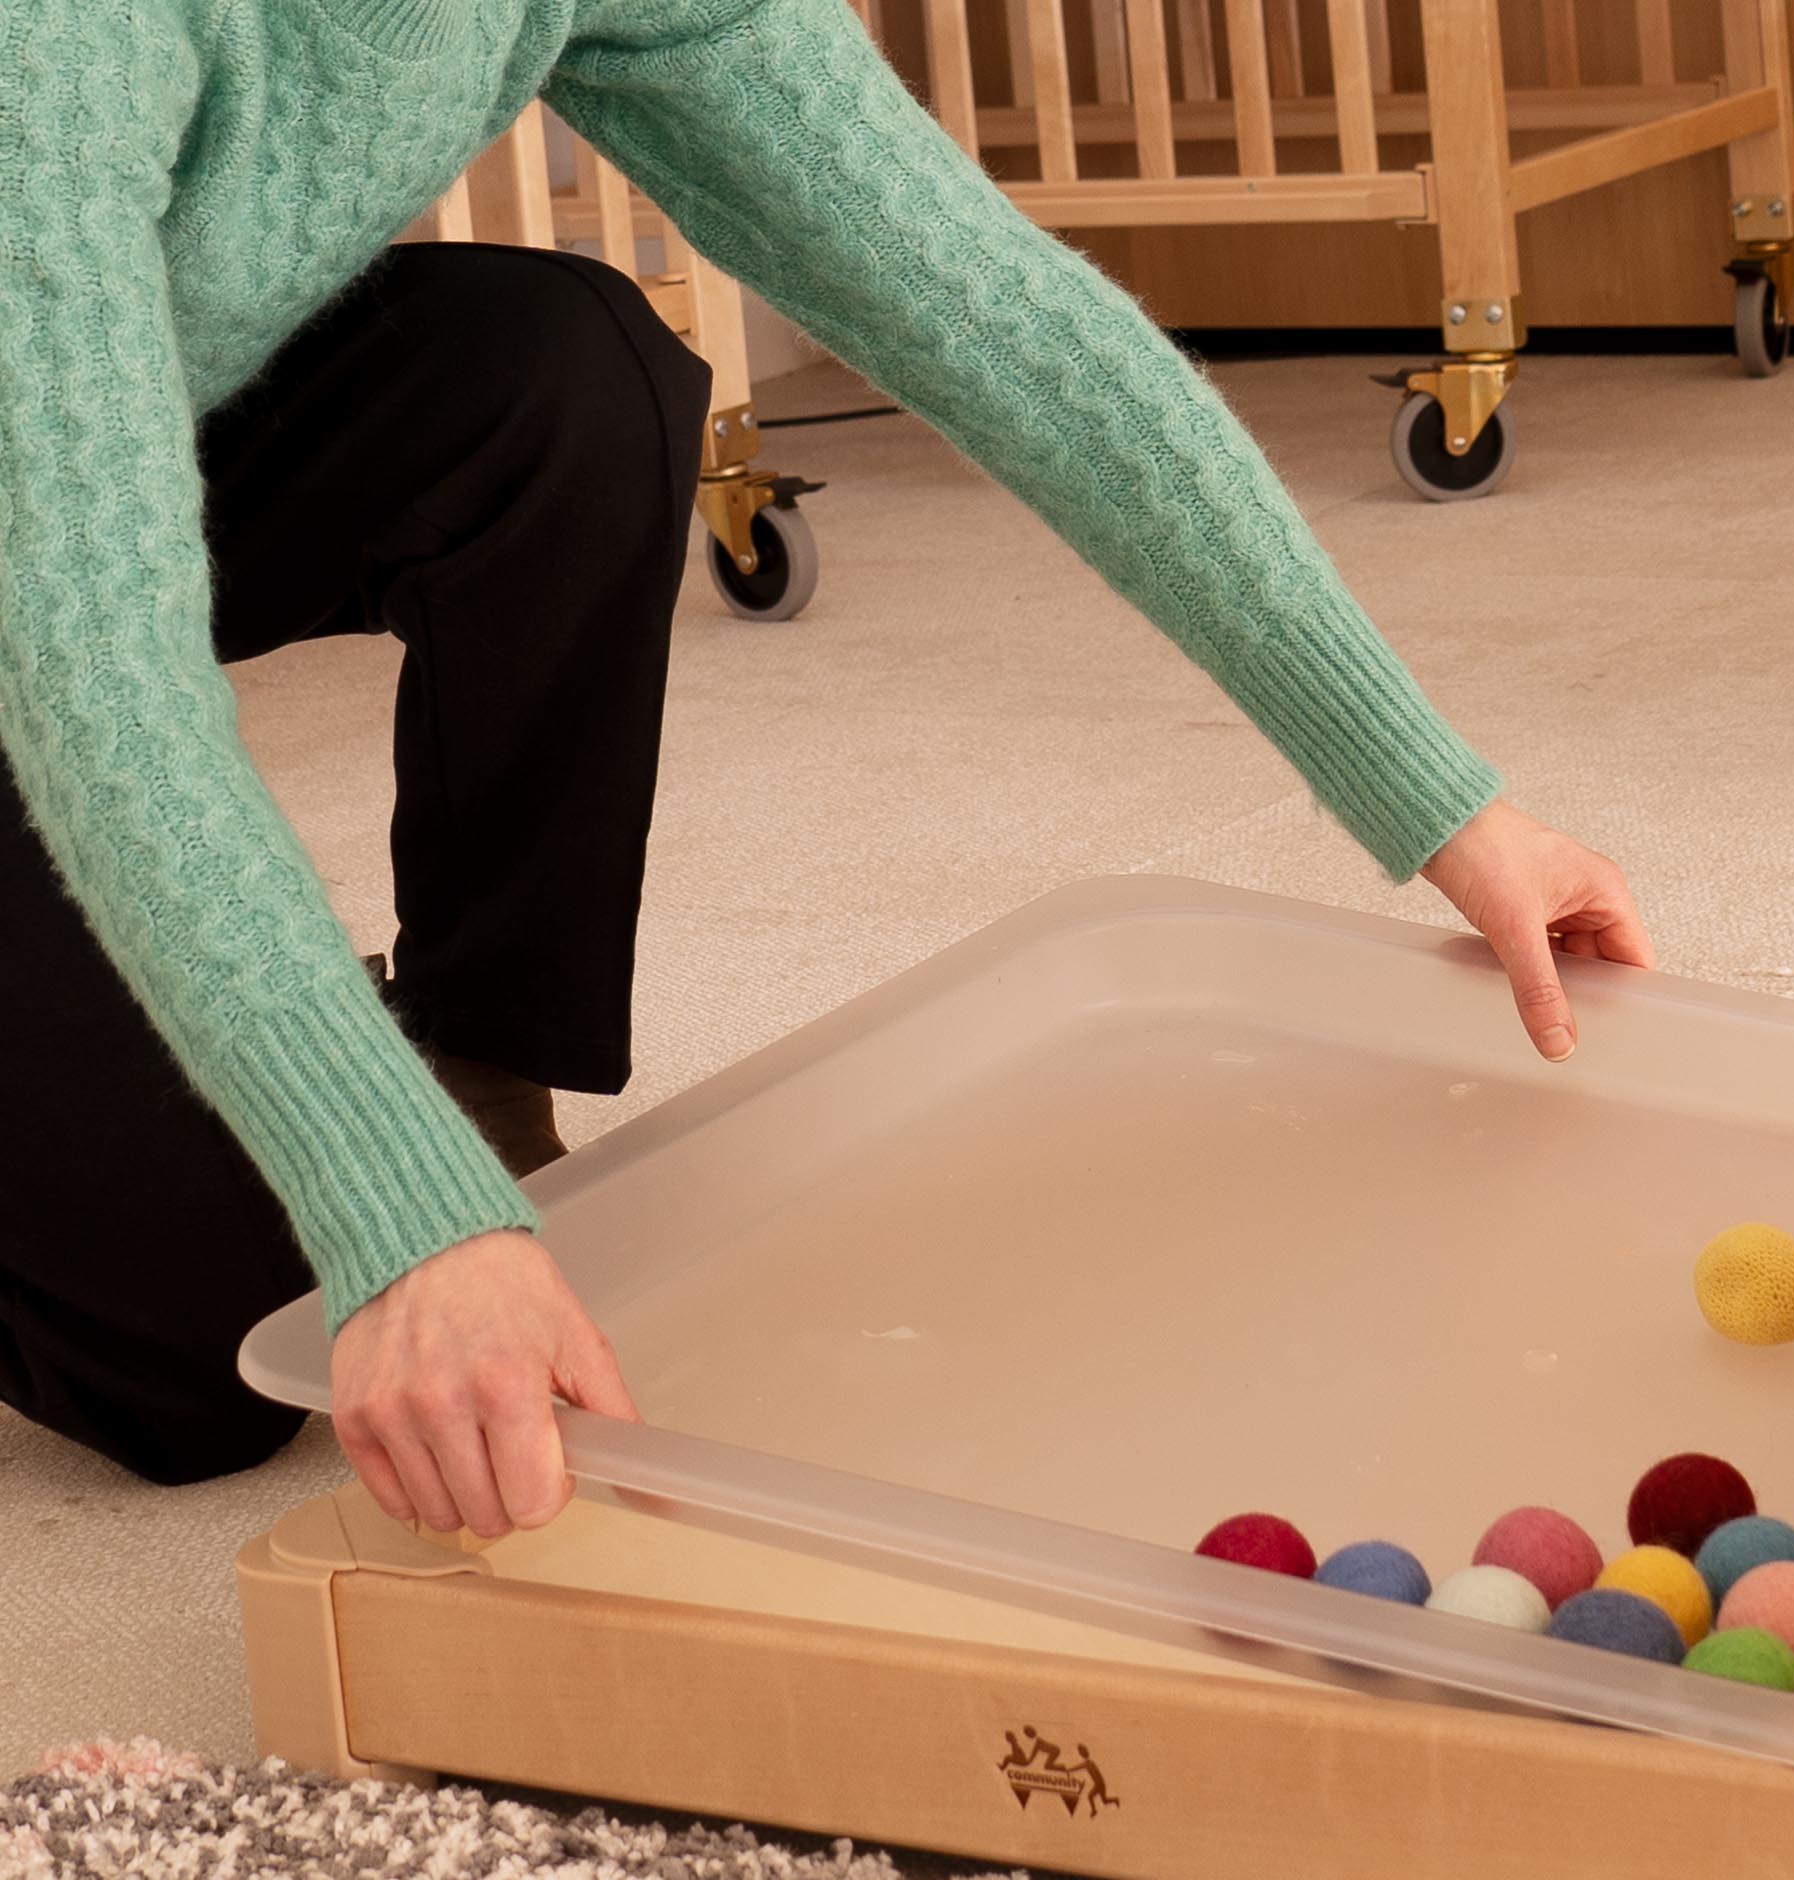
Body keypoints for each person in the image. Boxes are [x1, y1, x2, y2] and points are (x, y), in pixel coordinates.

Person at [0, 1, 1651, 1541]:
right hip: (40, 534)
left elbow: (986, 308)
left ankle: (469, 1070)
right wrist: (397, 1217)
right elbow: (90, 654)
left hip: (108, 424)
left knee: (566, 380)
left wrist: (1438, 796)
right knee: (192, 1360)